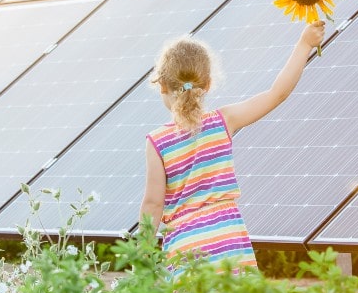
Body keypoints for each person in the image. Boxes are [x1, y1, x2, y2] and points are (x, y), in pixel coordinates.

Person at [140, 20, 326, 277]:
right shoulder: (223, 121)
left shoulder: (157, 142)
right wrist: (305, 43)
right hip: (230, 244)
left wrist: (141, 260)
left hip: (186, 250)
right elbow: (277, 94)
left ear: (161, 85)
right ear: (207, 84)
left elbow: (152, 204)